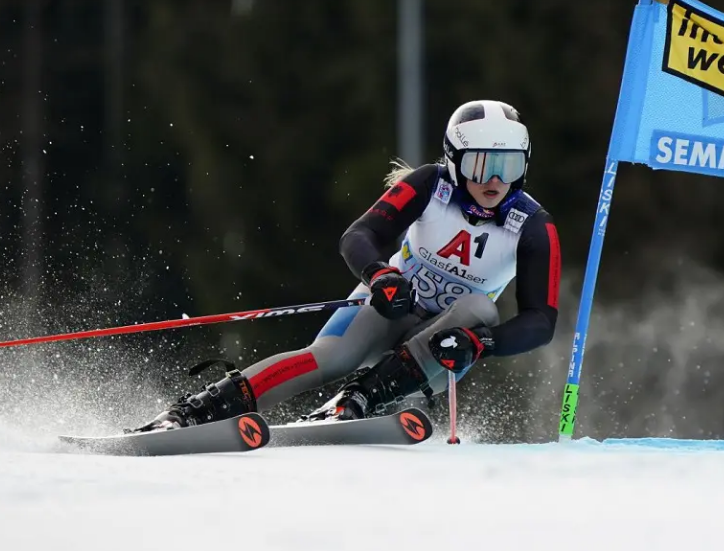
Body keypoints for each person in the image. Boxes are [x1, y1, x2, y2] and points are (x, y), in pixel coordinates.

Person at [133, 99, 561, 432]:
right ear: (454, 159)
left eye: (508, 165)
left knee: (481, 309)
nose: (495, 180)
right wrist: (380, 274)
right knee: (330, 357)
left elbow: (541, 321)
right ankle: (198, 411)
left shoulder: (533, 226)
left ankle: (359, 400)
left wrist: (481, 343)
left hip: (441, 344)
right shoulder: (431, 184)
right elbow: (359, 235)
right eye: (481, 164)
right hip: (392, 302)